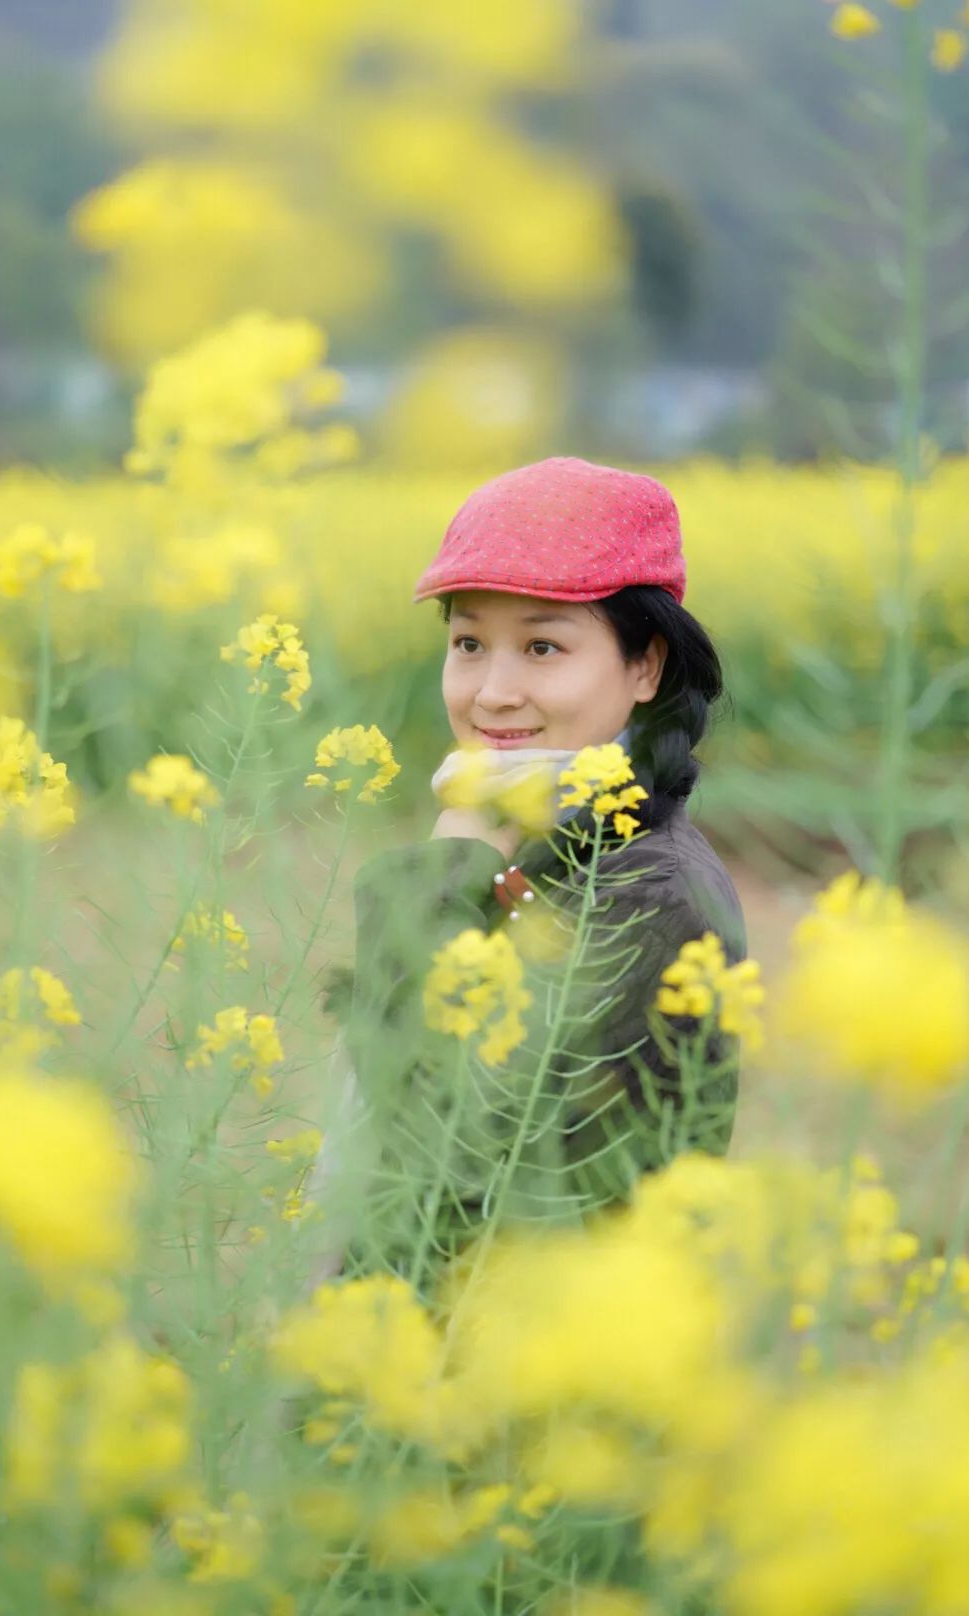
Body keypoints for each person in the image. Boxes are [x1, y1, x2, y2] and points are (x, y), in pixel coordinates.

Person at [317, 456, 747, 1286]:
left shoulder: (651, 896)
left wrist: (452, 863)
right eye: (469, 643)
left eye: (542, 646)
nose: (493, 693)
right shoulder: (542, 848)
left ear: (646, 667)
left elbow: (436, 1134)